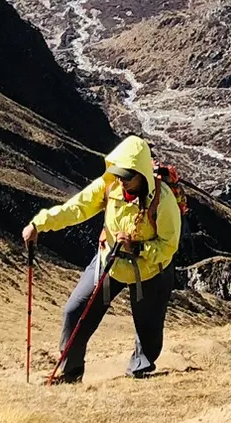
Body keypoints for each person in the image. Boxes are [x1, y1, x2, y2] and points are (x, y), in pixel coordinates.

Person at [22, 134, 182, 382]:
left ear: (142, 175)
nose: (121, 181)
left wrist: (137, 249)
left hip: (150, 271)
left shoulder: (164, 202)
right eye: (119, 174)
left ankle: (139, 370)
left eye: (127, 176)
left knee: (148, 328)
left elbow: (168, 247)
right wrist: (38, 224)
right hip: (111, 261)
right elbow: (76, 208)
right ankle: (71, 372)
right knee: (75, 311)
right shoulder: (109, 186)